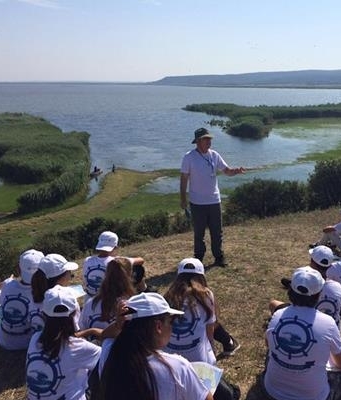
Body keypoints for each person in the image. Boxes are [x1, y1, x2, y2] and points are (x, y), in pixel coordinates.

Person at [99, 292, 213, 400]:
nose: (171, 327)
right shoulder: (177, 367)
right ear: (158, 326)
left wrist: (119, 325)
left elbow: (105, 336)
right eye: (170, 321)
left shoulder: (108, 354)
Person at [264, 266, 341, 400]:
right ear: (319, 294)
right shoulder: (328, 323)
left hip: (272, 390)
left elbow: (268, 345)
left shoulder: (277, 315)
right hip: (314, 396)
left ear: (291, 291)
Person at [180, 127, 246, 267]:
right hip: (197, 202)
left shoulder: (214, 155)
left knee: (217, 232)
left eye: (209, 139)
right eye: (206, 139)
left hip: (214, 200)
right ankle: (198, 259)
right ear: (198, 141)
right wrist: (183, 199)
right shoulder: (189, 157)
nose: (209, 141)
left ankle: (219, 257)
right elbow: (184, 179)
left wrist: (236, 171)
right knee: (199, 233)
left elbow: (227, 171)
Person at [25, 285, 101, 400]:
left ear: (44, 314)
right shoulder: (78, 347)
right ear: (75, 313)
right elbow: (108, 358)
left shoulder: (35, 339)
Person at [164, 258, 240, 361]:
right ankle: (228, 342)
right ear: (201, 276)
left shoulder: (168, 295)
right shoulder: (206, 295)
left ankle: (228, 342)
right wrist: (212, 351)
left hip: (169, 359)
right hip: (198, 361)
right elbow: (210, 329)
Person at [272, 245, 341, 330]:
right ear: (329, 266)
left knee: (273, 304)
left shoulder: (309, 288)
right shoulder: (337, 286)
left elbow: (298, 306)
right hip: (331, 329)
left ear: (312, 261)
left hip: (307, 323)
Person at [0, 249, 44, 350]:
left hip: (3, 341)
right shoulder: (44, 293)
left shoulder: (7, 284)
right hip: (29, 343)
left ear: (18, 269)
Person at [79, 257, 137, 332]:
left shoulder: (90, 304)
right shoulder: (134, 304)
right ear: (130, 275)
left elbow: (81, 330)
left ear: (106, 274)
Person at [83, 231, 145, 298]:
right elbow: (141, 260)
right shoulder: (116, 261)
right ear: (115, 247)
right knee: (138, 268)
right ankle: (144, 290)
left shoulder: (87, 260)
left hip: (90, 299)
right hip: (110, 301)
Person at [30, 253, 80, 333]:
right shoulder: (67, 301)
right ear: (61, 278)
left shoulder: (32, 300)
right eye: (69, 273)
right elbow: (74, 332)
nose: (71, 276)